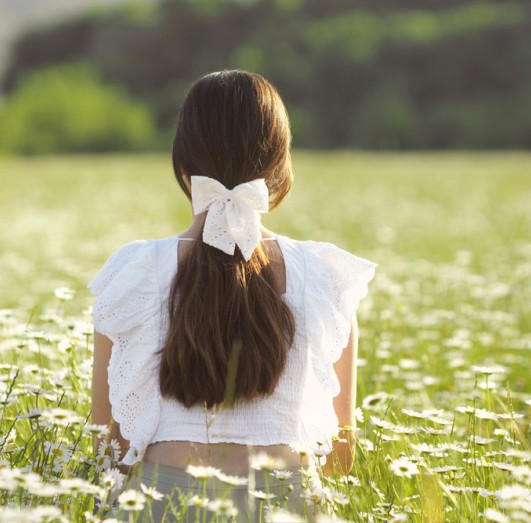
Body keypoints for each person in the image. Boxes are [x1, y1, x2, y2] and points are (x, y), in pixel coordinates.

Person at [88, 70, 376, 521]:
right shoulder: (326, 277)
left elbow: (111, 444)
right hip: (287, 505)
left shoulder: (135, 270)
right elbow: (340, 458)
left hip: (163, 503)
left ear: (182, 167)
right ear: (280, 169)